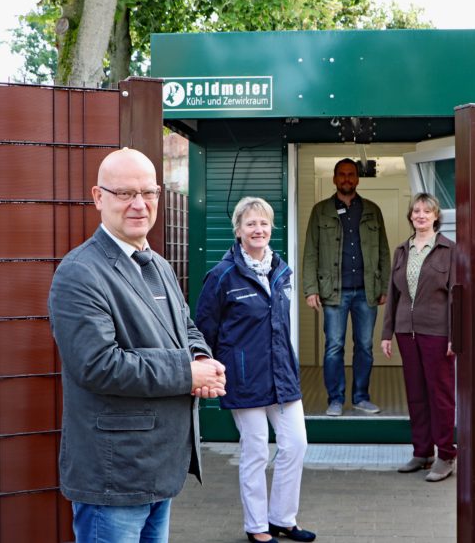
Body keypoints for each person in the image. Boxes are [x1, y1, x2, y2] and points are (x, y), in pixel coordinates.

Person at [47, 148, 227, 543]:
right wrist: (186, 372)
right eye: (125, 193)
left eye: (148, 193)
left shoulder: (158, 264)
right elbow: (98, 365)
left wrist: (201, 360)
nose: (139, 205)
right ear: (98, 197)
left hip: (158, 466)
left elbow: (186, 327)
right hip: (115, 475)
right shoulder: (79, 274)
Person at [195, 197, 316, 543]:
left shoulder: (282, 270)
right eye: (250, 224)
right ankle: (257, 527)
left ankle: (282, 518)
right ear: (238, 231)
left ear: (271, 228)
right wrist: (212, 369)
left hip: (282, 375)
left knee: (296, 445)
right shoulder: (222, 276)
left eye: (263, 223)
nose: (258, 230)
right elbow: (204, 329)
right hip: (244, 378)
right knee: (256, 449)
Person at [302, 158, 390, 416]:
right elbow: (310, 252)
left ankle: (361, 397)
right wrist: (310, 289)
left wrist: (384, 285)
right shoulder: (321, 211)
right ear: (334, 178)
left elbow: (384, 251)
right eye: (342, 175)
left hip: (366, 291)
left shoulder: (373, 210)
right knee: (334, 346)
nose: (347, 179)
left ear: (357, 179)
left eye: (351, 174)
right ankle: (335, 400)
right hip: (333, 292)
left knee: (364, 346)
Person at [381, 193, 458, 482]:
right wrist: (386, 333)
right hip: (405, 332)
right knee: (415, 394)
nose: (421, 215)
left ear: (436, 216)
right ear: (410, 216)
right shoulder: (402, 250)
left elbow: (456, 297)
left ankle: (446, 455)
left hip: (437, 332)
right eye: (416, 211)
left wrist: (455, 336)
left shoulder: (449, 250)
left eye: (427, 211)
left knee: (440, 394)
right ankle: (422, 452)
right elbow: (394, 295)